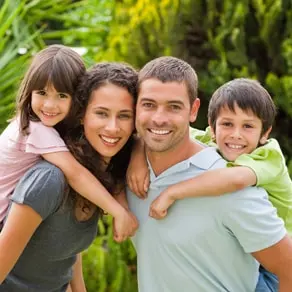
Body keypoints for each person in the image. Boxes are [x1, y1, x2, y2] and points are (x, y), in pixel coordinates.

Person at [126, 56, 292, 291]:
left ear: (193, 110)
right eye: (148, 104)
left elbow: (289, 269)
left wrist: (173, 192)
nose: (159, 118)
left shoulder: (239, 184)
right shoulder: (131, 169)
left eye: (174, 106)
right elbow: (152, 133)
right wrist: (136, 156)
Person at [0, 61, 139, 291]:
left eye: (124, 116)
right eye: (101, 113)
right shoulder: (50, 179)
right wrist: (119, 211)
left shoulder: (97, 177)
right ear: (81, 114)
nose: (113, 127)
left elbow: (69, 255)